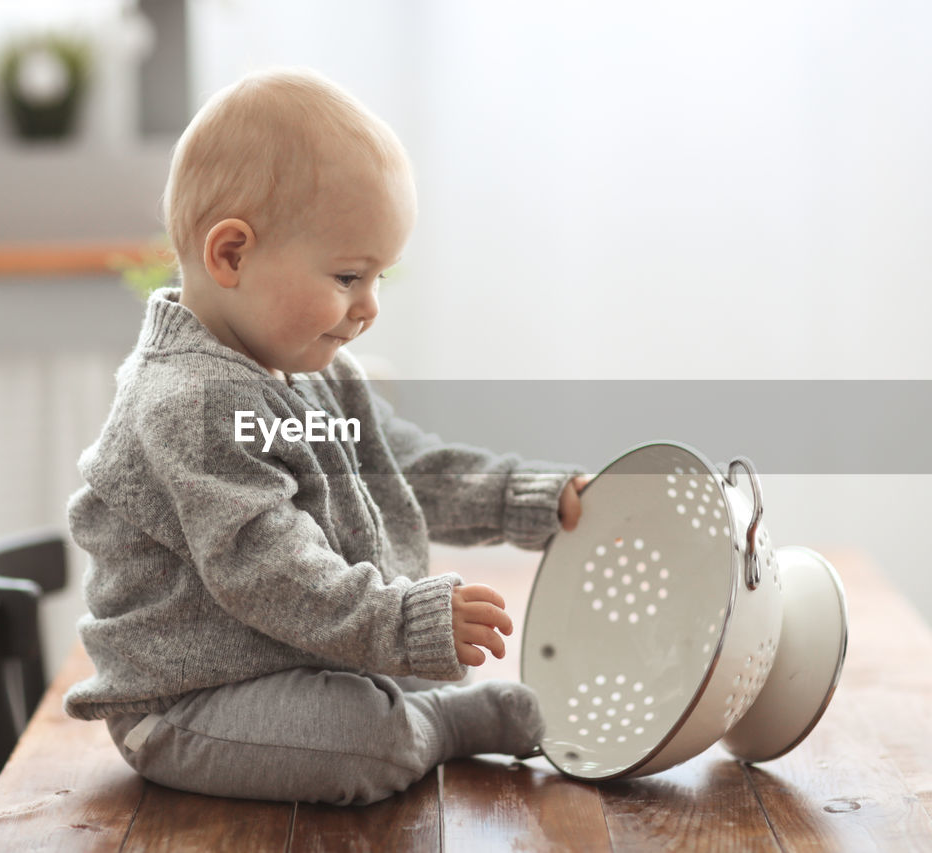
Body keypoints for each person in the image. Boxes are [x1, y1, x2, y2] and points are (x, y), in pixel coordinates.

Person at [63, 67, 590, 805]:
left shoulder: (308, 371)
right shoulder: (191, 403)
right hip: (190, 701)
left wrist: (526, 498)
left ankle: (414, 707)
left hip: (291, 656)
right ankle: (432, 725)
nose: (369, 305)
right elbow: (269, 569)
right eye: (348, 274)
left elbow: (402, 467)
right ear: (232, 256)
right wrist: (405, 619)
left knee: (376, 683)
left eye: (379, 277)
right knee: (362, 743)